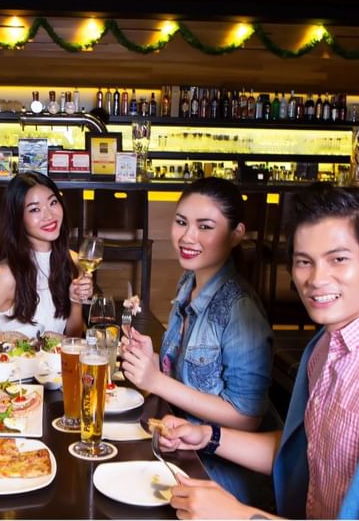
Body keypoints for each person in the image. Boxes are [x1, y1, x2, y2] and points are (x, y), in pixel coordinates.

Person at [159, 183, 359, 519]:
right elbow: (303, 453)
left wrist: (239, 516)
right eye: (304, 262)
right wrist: (206, 436)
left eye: (338, 259)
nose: (316, 279)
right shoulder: (328, 345)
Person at [120, 177, 276, 508]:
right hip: (181, 446)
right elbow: (188, 379)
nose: (188, 237)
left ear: (236, 234)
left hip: (222, 478)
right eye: (181, 222)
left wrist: (157, 382)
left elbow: (246, 416)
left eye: (205, 226)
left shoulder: (239, 307)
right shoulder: (189, 281)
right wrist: (154, 360)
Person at [0, 172, 92, 338]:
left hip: (59, 364)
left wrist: (76, 301)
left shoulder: (71, 260)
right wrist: (9, 341)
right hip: (13, 363)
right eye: (35, 209)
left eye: (53, 202)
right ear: (18, 219)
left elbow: (73, 339)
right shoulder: (6, 275)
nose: (49, 216)